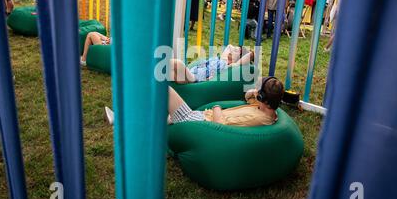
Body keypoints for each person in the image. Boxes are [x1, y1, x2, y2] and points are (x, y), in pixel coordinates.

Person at [104, 76, 285, 127]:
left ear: (264, 99)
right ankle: (119, 119)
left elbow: (220, 125)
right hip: (199, 118)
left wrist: (216, 107)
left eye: (259, 94)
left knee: (162, 87)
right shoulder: (265, 110)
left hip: (197, 122)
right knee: (158, 121)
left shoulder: (258, 118)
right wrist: (253, 93)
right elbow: (247, 98)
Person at [169, 45, 254, 84]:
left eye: (235, 51)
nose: (232, 50)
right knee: (169, 73)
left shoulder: (230, 67)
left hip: (195, 79)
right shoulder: (221, 59)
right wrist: (236, 49)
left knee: (177, 63)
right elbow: (229, 46)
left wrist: (246, 51)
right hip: (190, 73)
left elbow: (250, 55)